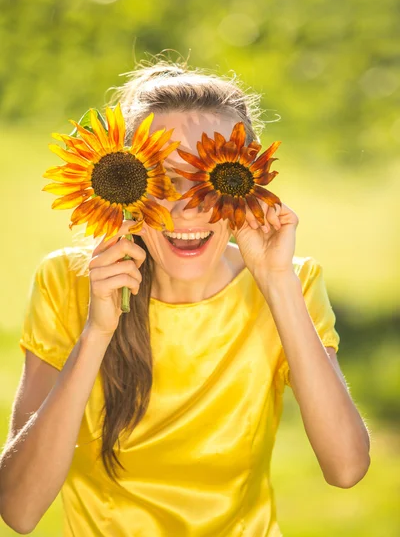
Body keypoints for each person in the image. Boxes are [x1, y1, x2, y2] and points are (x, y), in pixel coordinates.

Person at [0, 56, 370, 536]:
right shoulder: (68, 281)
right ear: (124, 186)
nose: (189, 210)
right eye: (165, 181)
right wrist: (96, 333)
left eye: (212, 181)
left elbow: (346, 468)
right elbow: (19, 510)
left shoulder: (289, 285)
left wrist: (277, 283)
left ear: (249, 188)